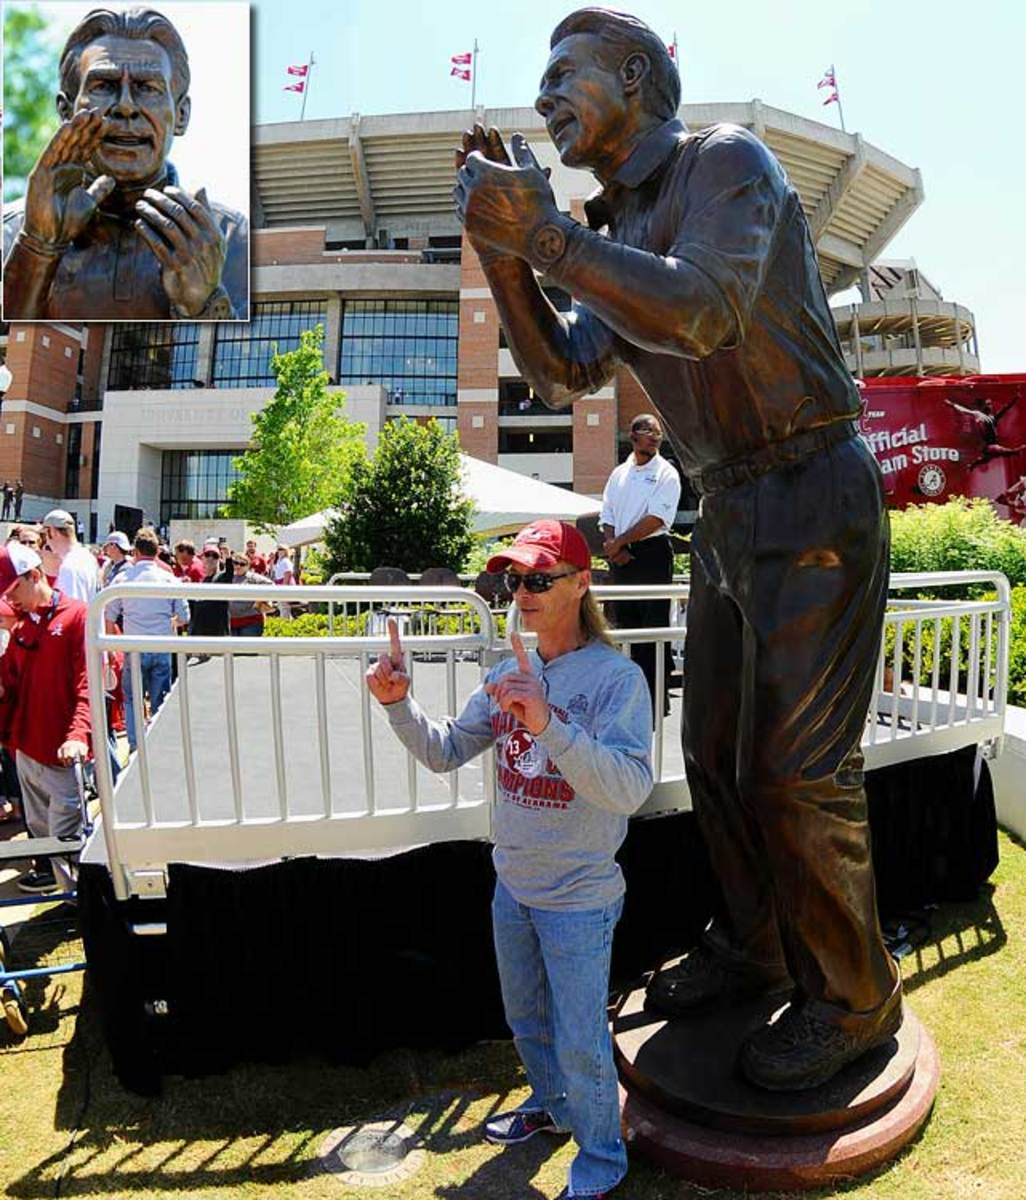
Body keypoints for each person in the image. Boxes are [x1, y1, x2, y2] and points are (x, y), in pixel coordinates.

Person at [455, 8, 900, 1092]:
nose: (547, 95)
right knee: (711, 756)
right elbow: (563, 373)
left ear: (641, 78)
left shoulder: (724, 165)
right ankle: (754, 946)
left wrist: (549, 239)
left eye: (569, 73)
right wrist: (507, 253)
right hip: (733, 513)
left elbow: (702, 314)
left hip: (811, 488)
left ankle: (854, 997)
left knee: (794, 772)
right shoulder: (623, 221)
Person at [367, 519, 652, 1200]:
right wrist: (399, 705)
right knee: (527, 1024)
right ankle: (552, 1110)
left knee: (582, 1039)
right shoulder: (503, 673)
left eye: (537, 579)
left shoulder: (617, 681)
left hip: (579, 897)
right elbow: (445, 749)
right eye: (512, 579)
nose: (519, 591)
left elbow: (628, 788)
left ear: (581, 584)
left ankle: (602, 1161)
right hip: (513, 887)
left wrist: (547, 723)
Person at [2, 7, 248, 321]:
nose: (126, 106)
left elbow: (240, 362)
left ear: (182, 115)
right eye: (103, 86)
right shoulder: (9, 231)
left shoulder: (229, 237)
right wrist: (38, 249)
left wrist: (205, 305)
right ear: (66, 111)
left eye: (148, 88)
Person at [0, 542, 92, 894]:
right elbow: (8, 681)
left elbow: (88, 684)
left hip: (62, 753)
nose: (11, 600)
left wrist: (78, 735)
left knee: (66, 838)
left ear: (34, 575)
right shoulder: (23, 627)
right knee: (43, 837)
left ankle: (82, 904)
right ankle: (73, 901)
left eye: (14, 590)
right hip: (26, 752)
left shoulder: (78, 616)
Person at [600, 413, 681, 720]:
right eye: (649, 432)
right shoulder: (618, 473)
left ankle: (656, 701)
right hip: (620, 557)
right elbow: (606, 513)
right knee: (626, 630)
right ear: (634, 435)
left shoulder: (666, 473)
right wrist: (613, 545)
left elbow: (658, 518)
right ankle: (629, 700)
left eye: (658, 433)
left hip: (652, 554)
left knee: (652, 630)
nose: (655, 437)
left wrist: (620, 541)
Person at [105, 528, 189, 752]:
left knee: (132, 699)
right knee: (160, 700)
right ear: (156, 551)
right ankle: (158, 746)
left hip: (133, 647)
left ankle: (135, 746)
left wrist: (113, 645)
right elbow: (184, 617)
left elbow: (108, 615)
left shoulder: (123, 579)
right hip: (161, 646)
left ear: (135, 551)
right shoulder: (169, 579)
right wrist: (170, 623)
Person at [42, 508, 99, 600]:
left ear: (52, 532)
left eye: (45, 534)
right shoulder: (88, 557)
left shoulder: (69, 566)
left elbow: (71, 610)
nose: (46, 541)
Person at [228, 553, 272, 638]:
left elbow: (270, 585)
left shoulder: (253, 578)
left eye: (242, 564)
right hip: (232, 622)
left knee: (248, 650)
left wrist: (260, 602)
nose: (238, 566)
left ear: (248, 566)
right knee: (234, 650)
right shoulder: (229, 577)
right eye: (236, 563)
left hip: (251, 622)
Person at [272, 545, 295, 618]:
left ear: (286, 551)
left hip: (284, 583)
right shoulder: (280, 560)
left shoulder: (286, 561)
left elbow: (288, 573)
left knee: (284, 606)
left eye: (281, 549)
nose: (279, 551)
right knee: (282, 606)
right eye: (278, 549)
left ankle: (286, 623)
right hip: (280, 583)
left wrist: (284, 587)